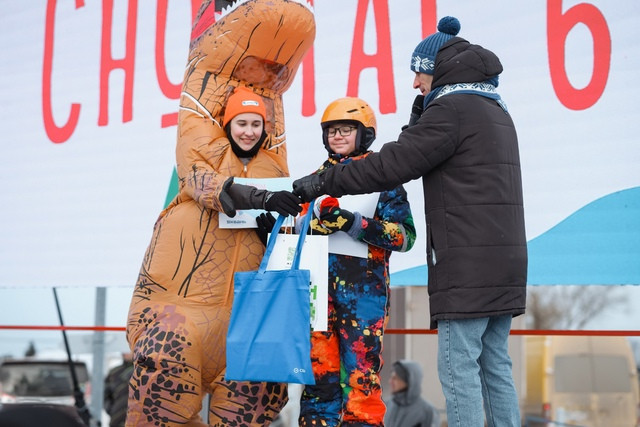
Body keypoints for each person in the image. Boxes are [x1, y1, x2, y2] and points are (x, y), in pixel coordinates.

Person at [293, 16, 527, 427]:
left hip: (466, 265)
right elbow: (420, 148)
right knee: (494, 364)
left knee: (457, 367)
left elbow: (394, 165)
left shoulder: (451, 109)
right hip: (502, 260)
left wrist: (324, 190)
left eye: (419, 73)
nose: (415, 83)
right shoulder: (492, 106)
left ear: (437, 70)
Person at [126, 86, 302, 426]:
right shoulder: (201, 170)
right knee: (160, 402)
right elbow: (205, 182)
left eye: (256, 124)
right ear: (227, 125)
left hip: (245, 329)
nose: (249, 132)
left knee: (250, 404)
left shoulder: (277, 174)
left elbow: (290, 254)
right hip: (183, 322)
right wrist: (261, 198)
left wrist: (273, 234)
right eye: (241, 123)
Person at [291, 97, 416, 427]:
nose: (338, 136)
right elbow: (293, 233)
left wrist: (354, 224)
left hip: (363, 299)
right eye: (332, 130)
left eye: (346, 129)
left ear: (365, 134)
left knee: (361, 380)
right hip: (317, 297)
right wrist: (305, 225)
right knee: (318, 380)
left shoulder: (383, 178)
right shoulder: (312, 182)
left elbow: (405, 237)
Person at [384, 359, 440, 427]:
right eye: (391, 377)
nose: (390, 381)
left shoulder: (427, 411)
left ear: (409, 380)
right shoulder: (386, 405)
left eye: (395, 378)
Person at [104, 353, 134, 427]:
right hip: (117, 419)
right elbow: (105, 394)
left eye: (128, 350)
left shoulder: (144, 370)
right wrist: (112, 409)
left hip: (138, 419)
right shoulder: (114, 372)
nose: (125, 353)